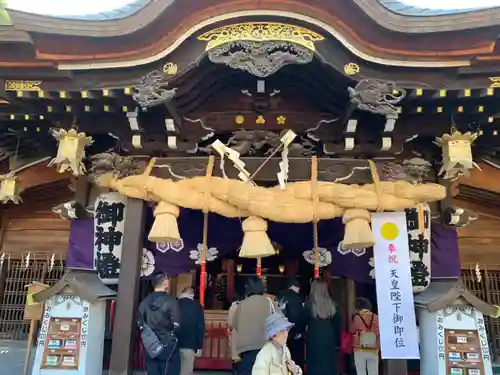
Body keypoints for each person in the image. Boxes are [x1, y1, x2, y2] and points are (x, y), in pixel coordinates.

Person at [138, 273, 181, 375]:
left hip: (150, 344)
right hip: (168, 344)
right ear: (165, 283)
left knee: (152, 371)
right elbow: (177, 326)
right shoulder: (171, 301)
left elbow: (140, 323)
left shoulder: (144, 302)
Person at [232, 277, 276, 375]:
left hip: (247, 347)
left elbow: (234, 324)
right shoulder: (269, 303)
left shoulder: (242, 304)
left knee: (247, 370)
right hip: (265, 345)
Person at [301, 280, 341, 375]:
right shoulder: (332, 304)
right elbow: (337, 323)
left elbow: (302, 321)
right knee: (329, 362)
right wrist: (338, 339)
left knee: (315, 363)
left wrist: (302, 333)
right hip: (329, 336)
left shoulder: (309, 304)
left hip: (314, 335)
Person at [276, 278, 305, 368]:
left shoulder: (279, 298)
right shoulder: (297, 299)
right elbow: (298, 318)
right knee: (295, 362)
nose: (299, 290)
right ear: (292, 287)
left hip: (279, 336)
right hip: (294, 336)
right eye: (297, 288)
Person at [177, 287, 205, 375]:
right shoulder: (197, 306)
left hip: (173, 344)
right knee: (186, 371)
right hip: (190, 345)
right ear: (192, 295)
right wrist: (199, 345)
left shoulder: (174, 304)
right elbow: (200, 327)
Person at [350, 297, 379, 375]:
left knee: (361, 372)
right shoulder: (376, 317)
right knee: (373, 372)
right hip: (373, 348)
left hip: (359, 348)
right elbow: (378, 332)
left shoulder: (356, 317)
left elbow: (351, 330)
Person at [227, 295, 242, 375]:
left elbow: (230, 323)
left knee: (236, 361)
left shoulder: (234, 306)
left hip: (236, 335)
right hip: (249, 338)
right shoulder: (251, 305)